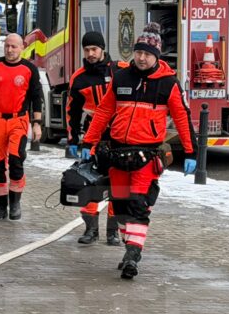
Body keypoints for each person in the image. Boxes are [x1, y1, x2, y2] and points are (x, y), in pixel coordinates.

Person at [80, 22, 197, 279]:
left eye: (147, 54)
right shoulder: (121, 77)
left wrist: (191, 152)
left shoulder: (168, 83)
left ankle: (133, 255)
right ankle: (129, 247)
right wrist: (88, 142)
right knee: (120, 205)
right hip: (118, 154)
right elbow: (103, 112)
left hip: (146, 156)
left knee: (138, 205)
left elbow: (182, 119)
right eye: (138, 52)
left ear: (157, 56)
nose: (142, 58)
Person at [0, 33, 44, 221]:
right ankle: (1, 207)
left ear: (22, 48)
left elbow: (37, 96)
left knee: (16, 161)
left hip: (18, 121)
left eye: (14, 47)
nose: (9, 50)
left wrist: (37, 124)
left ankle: (15, 204)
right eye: (7, 46)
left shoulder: (29, 69)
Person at [66, 31, 126, 245]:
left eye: (94, 49)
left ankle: (113, 231)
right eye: (86, 50)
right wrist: (73, 140)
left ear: (103, 49)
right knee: (88, 182)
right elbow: (71, 111)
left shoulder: (121, 70)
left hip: (119, 137)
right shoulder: (79, 78)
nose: (90, 53)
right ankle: (90, 229)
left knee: (118, 185)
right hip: (92, 136)